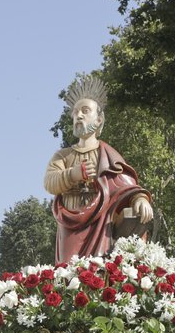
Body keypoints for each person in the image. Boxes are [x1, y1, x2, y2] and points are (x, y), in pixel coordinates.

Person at [44, 76, 153, 263]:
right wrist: (73, 174)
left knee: (99, 273)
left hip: (102, 224)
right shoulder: (63, 156)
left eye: (85, 111)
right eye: (75, 112)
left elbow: (126, 185)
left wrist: (140, 198)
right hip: (70, 225)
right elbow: (49, 182)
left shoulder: (108, 155)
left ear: (99, 119)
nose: (78, 116)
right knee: (68, 276)